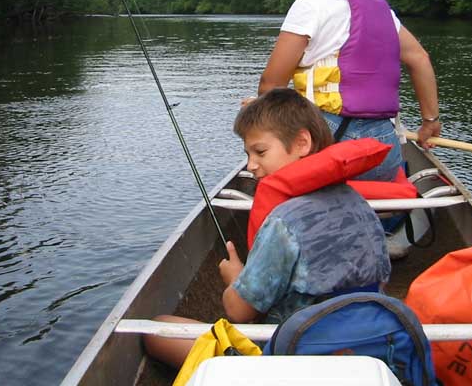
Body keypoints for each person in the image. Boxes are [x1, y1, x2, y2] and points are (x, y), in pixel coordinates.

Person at [143, 88, 391, 368]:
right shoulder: (358, 203)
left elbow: (238, 311)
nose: (250, 165)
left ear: (302, 143)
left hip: (295, 360)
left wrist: (235, 279)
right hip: (367, 347)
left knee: (157, 331)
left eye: (260, 152)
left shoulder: (284, 222)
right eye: (248, 154)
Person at [258, 0, 441, 181]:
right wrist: (430, 121)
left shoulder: (311, 3)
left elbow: (270, 85)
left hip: (328, 140)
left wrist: (260, 113)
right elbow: (420, 59)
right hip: (384, 145)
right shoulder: (380, 6)